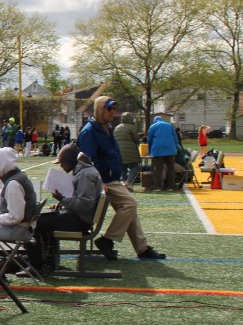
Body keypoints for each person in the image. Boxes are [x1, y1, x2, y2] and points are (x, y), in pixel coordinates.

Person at [75, 96, 166, 261]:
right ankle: (107, 239)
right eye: (109, 108)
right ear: (99, 109)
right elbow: (87, 160)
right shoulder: (89, 131)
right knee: (130, 203)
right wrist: (101, 181)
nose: (113, 112)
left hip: (111, 178)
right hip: (103, 180)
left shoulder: (106, 127)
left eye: (114, 108)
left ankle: (142, 248)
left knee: (129, 207)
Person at [32, 144, 102, 273]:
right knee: (43, 219)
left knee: (37, 222)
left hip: (80, 220)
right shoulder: (82, 171)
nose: (61, 167)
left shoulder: (85, 174)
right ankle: (49, 260)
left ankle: (41, 264)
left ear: (68, 161)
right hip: (78, 216)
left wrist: (62, 199)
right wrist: (62, 205)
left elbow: (84, 204)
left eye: (61, 163)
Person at [146, 116, 177, 192]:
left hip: (158, 150)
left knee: (157, 169)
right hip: (170, 149)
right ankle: (170, 186)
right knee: (170, 168)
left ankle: (158, 186)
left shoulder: (153, 126)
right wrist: (175, 148)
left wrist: (149, 150)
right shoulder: (169, 125)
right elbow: (175, 138)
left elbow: (149, 140)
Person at [113, 112, 141, 190]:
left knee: (123, 168)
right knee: (134, 167)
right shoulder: (131, 127)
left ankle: (123, 183)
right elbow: (136, 139)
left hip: (119, 151)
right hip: (131, 151)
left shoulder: (117, 127)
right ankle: (128, 182)